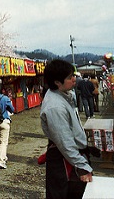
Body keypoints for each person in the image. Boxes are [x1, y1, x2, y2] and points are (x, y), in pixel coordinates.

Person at [40, 59, 93, 199]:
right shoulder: (55, 106)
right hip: (63, 160)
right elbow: (65, 142)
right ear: (57, 82)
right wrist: (82, 166)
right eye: (70, 77)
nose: (74, 79)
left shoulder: (62, 96)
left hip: (70, 156)